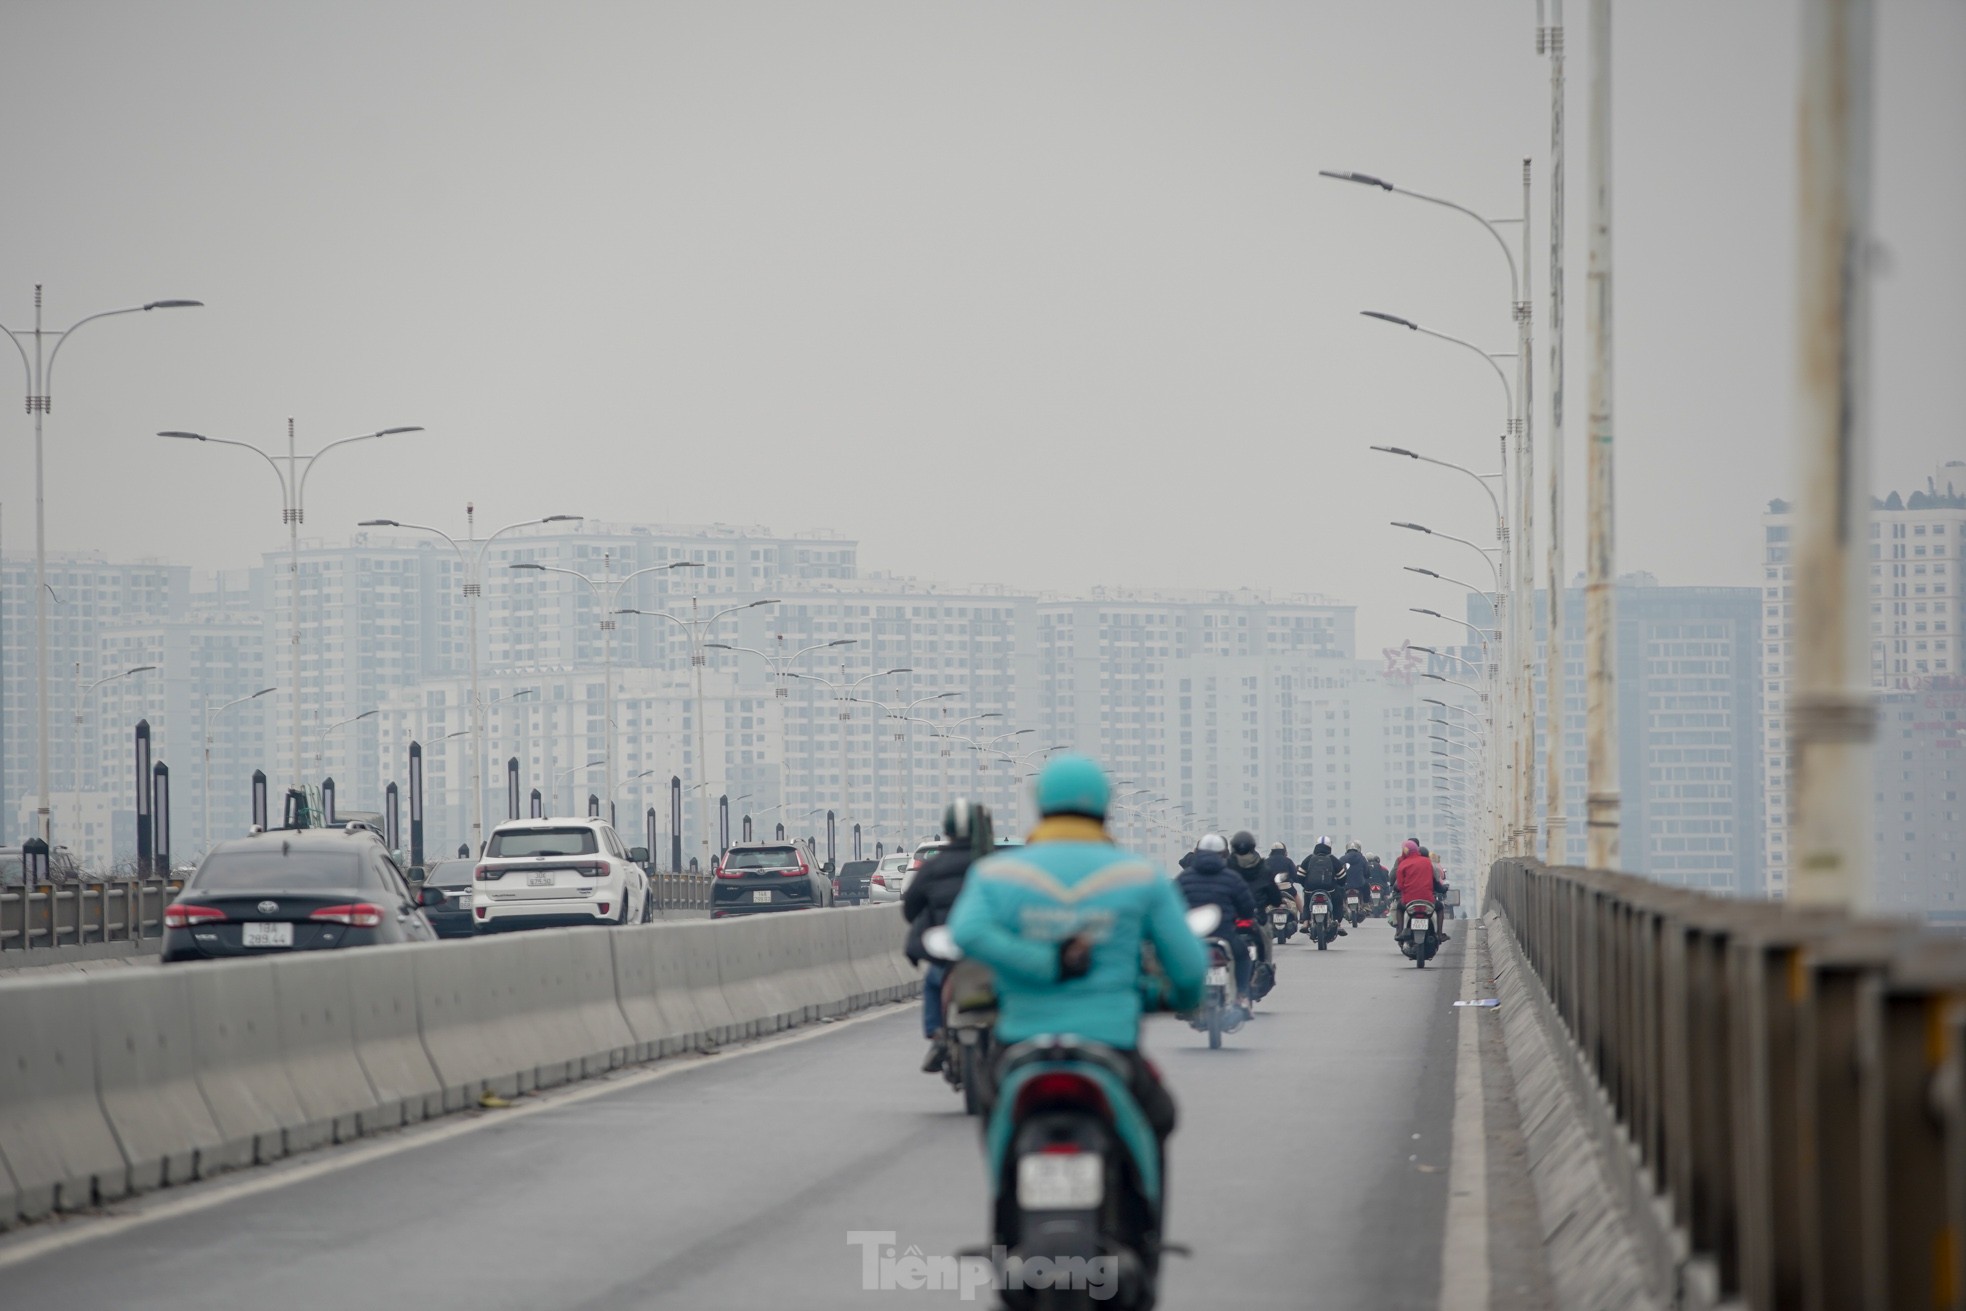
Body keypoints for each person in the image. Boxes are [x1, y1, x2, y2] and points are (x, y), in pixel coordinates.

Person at [947, 754, 1206, 1160]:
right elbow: (1189, 970)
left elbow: (966, 931)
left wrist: (1041, 962)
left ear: (1041, 804)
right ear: (1105, 806)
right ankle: (1145, 1223)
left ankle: (1005, 1213)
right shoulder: (1140, 875)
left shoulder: (997, 875)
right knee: (1160, 1117)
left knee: (996, 1117)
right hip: (1111, 1042)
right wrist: (1183, 998)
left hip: (1020, 1041)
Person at [904, 798, 994, 1073]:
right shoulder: (994, 866)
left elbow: (910, 908)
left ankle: (937, 1035)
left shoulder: (933, 867)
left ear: (948, 829)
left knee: (933, 981)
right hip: (988, 948)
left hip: (949, 948)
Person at [1176, 832, 1256, 1009]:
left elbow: (1172, 908)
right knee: (1243, 956)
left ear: (1197, 852)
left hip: (1193, 937)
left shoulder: (1184, 878)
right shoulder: (1232, 878)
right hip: (1224, 934)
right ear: (1224, 854)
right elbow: (1247, 907)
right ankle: (1242, 995)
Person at [1226, 830, 1279, 982]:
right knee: (1267, 938)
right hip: (1257, 919)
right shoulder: (1264, 868)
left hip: (1231, 918)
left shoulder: (1227, 867)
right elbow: (1276, 898)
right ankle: (1266, 970)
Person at [1392, 839, 1450, 943]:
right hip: (1428, 900)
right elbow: (1436, 880)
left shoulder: (1402, 864)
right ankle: (1440, 934)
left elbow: (1399, 886)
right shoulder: (1428, 863)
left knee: (1399, 909)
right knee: (1440, 907)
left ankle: (1400, 932)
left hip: (1408, 901)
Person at [1297, 837, 1349, 935]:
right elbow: (1342, 878)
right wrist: (1339, 884)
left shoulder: (1309, 859)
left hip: (1310, 889)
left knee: (1307, 901)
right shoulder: (1333, 859)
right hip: (1330, 890)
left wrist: (1306, 885)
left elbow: (1300, 876)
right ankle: (1337, 923)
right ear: (1329, 847)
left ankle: (1305, 922)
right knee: (1337, 902)